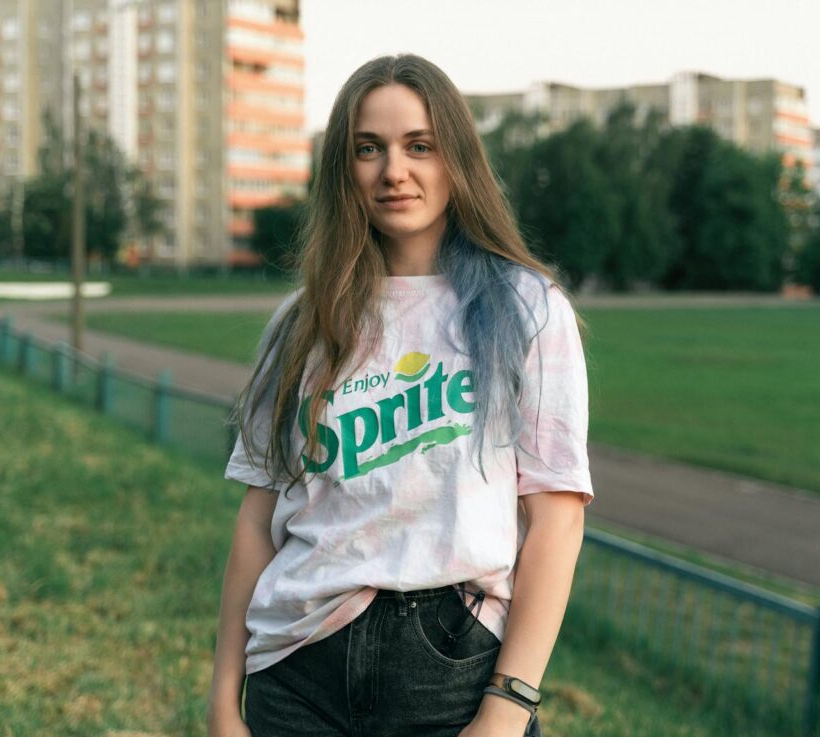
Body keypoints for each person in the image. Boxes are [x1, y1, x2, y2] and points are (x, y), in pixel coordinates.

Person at [207, 54, 594, 737]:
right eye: (368, 149)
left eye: (420, 145)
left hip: (451, 665)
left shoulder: (528, 310)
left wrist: (510, 702)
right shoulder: (301, 325)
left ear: (457, 158)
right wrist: (223, 702)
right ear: (343, 170)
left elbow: (557, 519)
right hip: (297, 668)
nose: (394, 170)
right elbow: (256, 517)